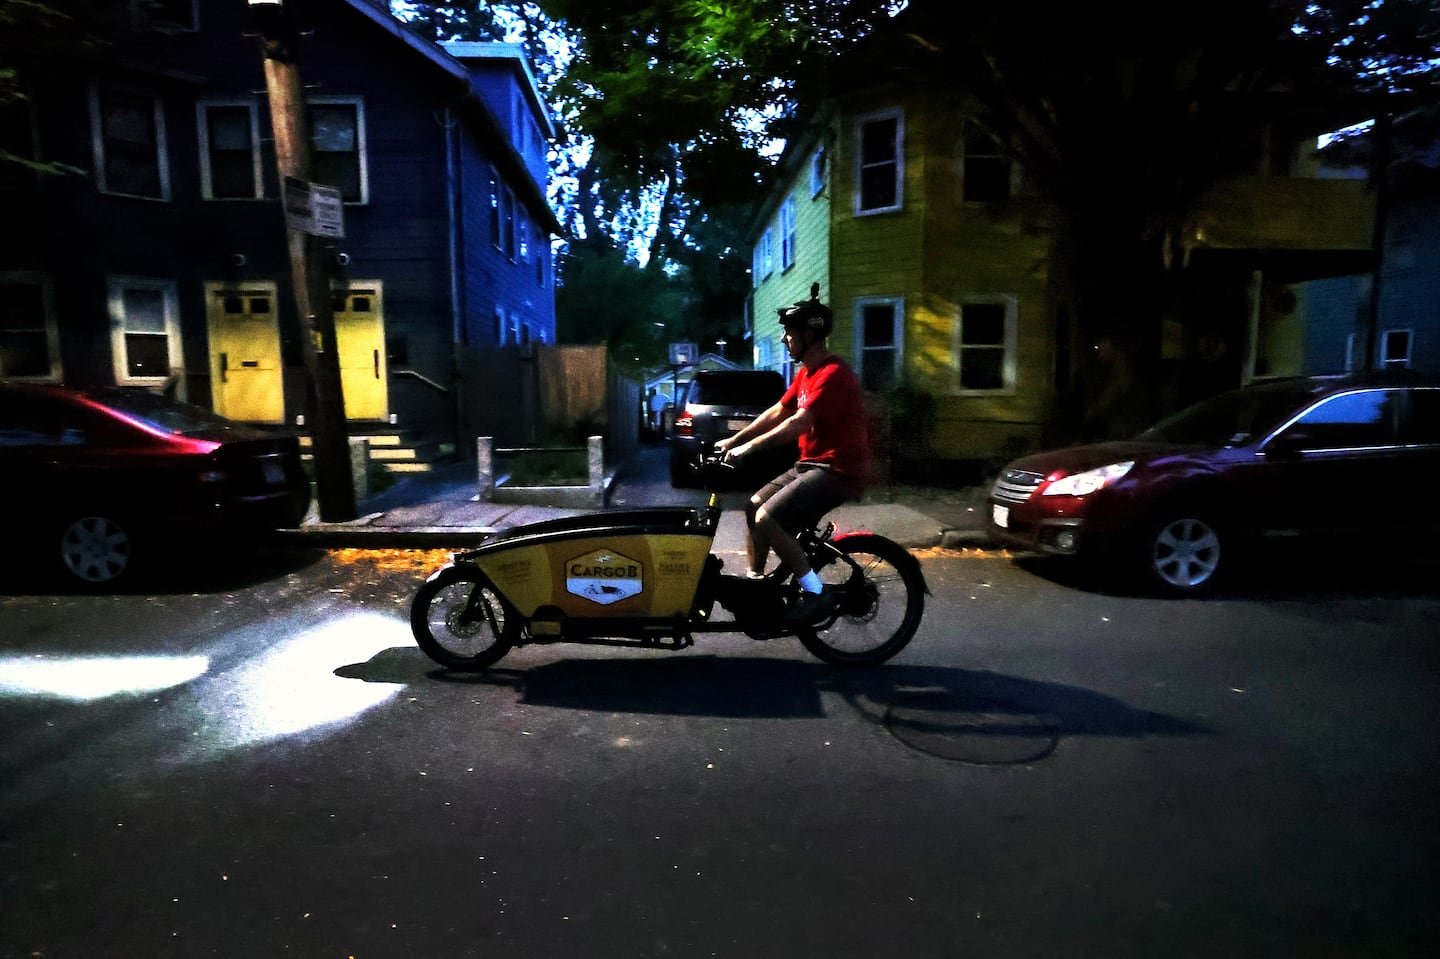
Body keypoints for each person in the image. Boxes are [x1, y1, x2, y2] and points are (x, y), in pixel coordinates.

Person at [713, 284, 869, 623]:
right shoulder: (806, 375)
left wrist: (747, 450)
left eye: (789, 332)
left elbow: (798, 423)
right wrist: (733, 440)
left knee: (769, 517)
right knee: (753, 506)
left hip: (836, 470)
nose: (785, 339)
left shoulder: (832, 375)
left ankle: (817, 592)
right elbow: (777, 412)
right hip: (811, 465)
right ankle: (756, 586)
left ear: (809, 335)